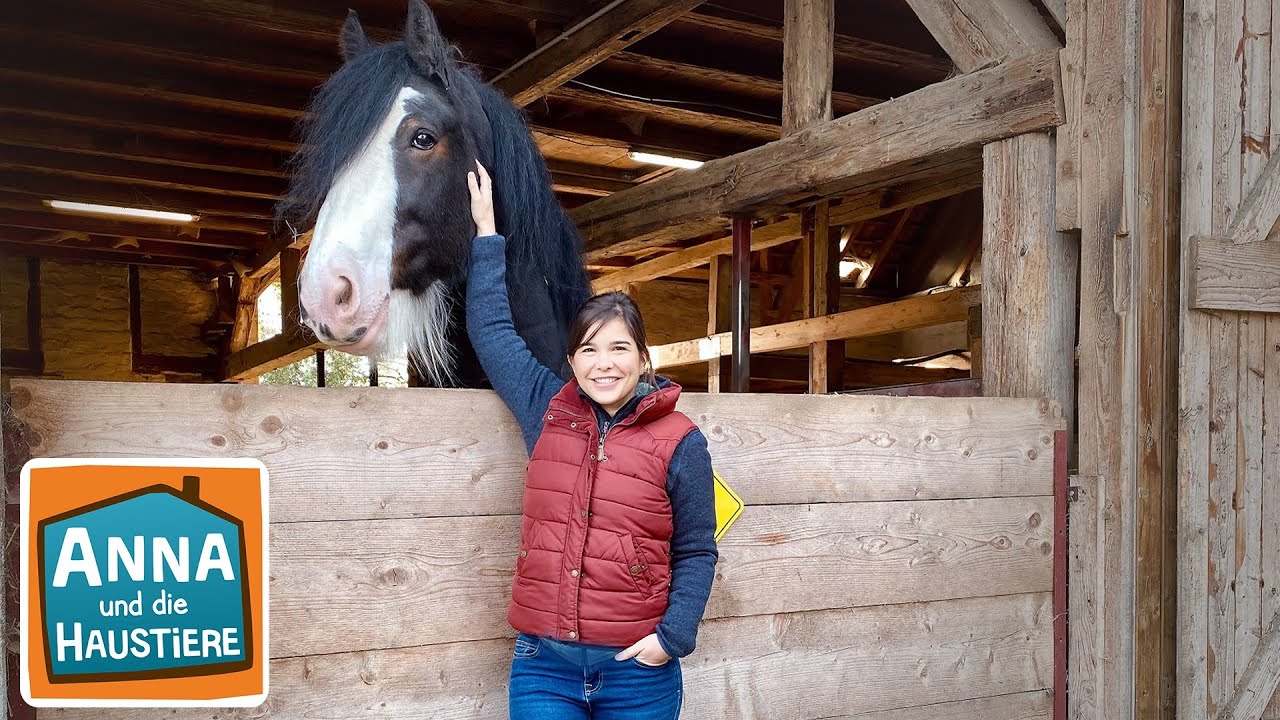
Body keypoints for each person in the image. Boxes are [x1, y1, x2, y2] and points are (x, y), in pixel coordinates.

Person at [465, 161, 718, 720]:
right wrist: (486, 234)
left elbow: (697, 548)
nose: (604, 364)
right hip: (544, 666)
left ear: (643, 358)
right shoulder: (545, 408)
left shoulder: (680, 440)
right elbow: (491, 332)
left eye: (619, 348)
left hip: (637, 672)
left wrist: (670, 639)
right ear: (572, 359)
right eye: (590, 350)